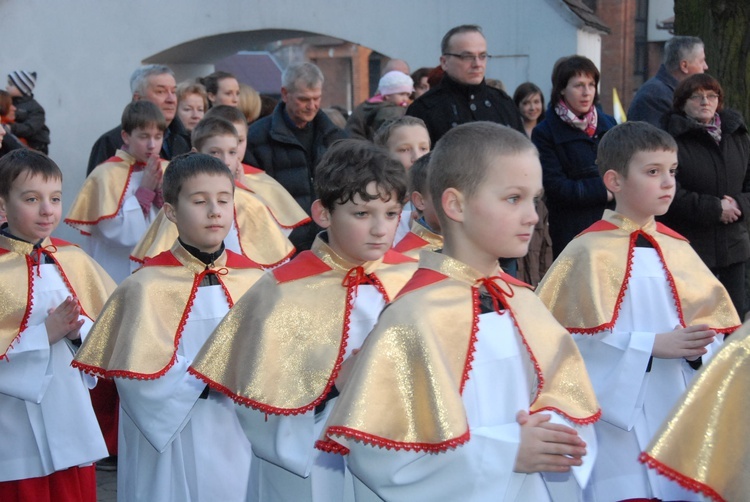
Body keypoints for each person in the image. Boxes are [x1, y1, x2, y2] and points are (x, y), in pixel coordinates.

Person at [318, 122, 600, 501]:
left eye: (535, 198)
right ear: (455, 204)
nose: (533, 216)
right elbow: (381, 456)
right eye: (513, 198)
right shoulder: (412, 317)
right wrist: (505, 451)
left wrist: (552, 432)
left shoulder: (524, 302)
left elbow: (569, 399)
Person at [189, 140, 418, 502]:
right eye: (362, 214)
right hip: (314, 462)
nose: (380, 229)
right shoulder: (282, 291)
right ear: (323, 213)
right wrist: (333, 387)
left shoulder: (412, 279)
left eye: (391, 214)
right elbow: (256, 406)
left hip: (399, 456)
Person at [536, 121, 740, 501]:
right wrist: (649, 345)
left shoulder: (680, 249)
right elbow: (567, 348)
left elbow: (712, 331)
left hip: (678, 405)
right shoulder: (587, 252)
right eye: (652, 172)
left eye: (672, 172)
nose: (668, 183)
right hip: (620, 426)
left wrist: (701, 348)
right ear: (613, 181)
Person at [73, 153, 264, 502]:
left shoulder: (255, 281)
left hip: (239, 428)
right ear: (172, 211)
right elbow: (135, 377)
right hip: (173, 433)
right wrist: (205, 383)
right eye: (200, 201)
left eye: (224, 200)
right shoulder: (144, 286)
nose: (214, 211)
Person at [0, 149, 115, 502]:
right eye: (31, 199)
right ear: (2, 205)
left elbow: (108, 333)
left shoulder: (74, 260)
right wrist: (44, 335)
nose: (47, 209)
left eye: (54, 198)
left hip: (70, 410)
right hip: (13, 420)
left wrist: (79, 332)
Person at [130, 115, 295, 269]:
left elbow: (273, 266)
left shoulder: (252, 202)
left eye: (232, 152)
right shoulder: (180, 204)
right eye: (215, 152)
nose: (225, 160)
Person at [659, 73, 750, 318]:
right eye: (697, 97)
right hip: (691, 247)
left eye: (711, 96)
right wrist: (715, 209)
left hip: (734, 246)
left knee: (733, 320)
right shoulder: (670, 140)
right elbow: (668, 190)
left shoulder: (738, 135)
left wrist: (737, 204)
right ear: (682, 103)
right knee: (696, 321)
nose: (705, 102)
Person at [641, 320, 750, 502]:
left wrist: (698, 354)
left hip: (690, 415)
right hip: (623, 443)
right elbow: (581, 345)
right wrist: (645, 346)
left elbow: (721, 337)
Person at [244, 62, 347, 252]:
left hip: (330, 243)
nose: (312, 106)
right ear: (285, 94)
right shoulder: (257, 138)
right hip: (280, 246)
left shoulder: (336, 138)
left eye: (317, 98)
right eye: (304, 99)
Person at [66, 100, 168, 284]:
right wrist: (144, 192)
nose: (152, 145)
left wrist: (161, 192)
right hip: (116, 270)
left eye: (158, 136)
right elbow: (117, 232)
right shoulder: (106, 174)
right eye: (144, 136)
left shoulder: (167, 169)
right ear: (126, 136)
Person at [532, 55, 616, 258]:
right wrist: (605, 191)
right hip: (571, 232)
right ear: (562, 89)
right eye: (578, 85)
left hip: (612, 227)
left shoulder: (609, 124)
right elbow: (555, 186)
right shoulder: (545, 132)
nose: (587, 92)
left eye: (591, 84)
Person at [406, 25, 523, 145]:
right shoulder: (424, 109)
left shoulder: (503, 103)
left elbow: (525, 156)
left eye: (482, 56)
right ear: (444, 62)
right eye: (467, 57)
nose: (477, 64)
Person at [203, 105, 310, 234]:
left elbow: (275, 235)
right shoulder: (193, 181)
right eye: (216, 150)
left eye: (240, 141)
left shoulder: (262, 181)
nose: (234, 148)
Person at [87, 65, 190, 175]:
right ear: (138, 98)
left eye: (174, 92)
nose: (171, 99)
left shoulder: (184, 139)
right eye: (161, 91)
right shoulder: (110, 142)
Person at [513, 82, 552, 286]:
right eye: (526, 102)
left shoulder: (546, 131)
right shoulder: (514, 132)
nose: (532, 107)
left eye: (536, 102)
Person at [374, 116, 431, 244]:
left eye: (423, 148)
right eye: (404, 150)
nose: (417, 157)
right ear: (383, 155)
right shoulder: (374, 199)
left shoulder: (437, 198)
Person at [628, 36, 707, 127]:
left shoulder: (669, 93)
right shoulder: (654, 97)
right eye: (702, 61)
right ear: (684, 66)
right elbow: (656, 139)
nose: (705, 66)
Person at [393, 152, 443, 259]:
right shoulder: (404, 260)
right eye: (443, 194)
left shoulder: (479, 242)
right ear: (420, 201)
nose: (458, 204)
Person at [345, 71, 413, 141]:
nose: (405, 99)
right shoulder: (391, 111)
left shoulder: (368, 105)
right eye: (401, 94)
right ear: (387, 95)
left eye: (407, 95)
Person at [6, 71, 50, 154]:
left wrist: (11, 127)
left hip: (36, 146)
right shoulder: (10, 103)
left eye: (11, 84)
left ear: (22, 88)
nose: (7, 87)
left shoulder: (36, 109)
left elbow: (30, 128)